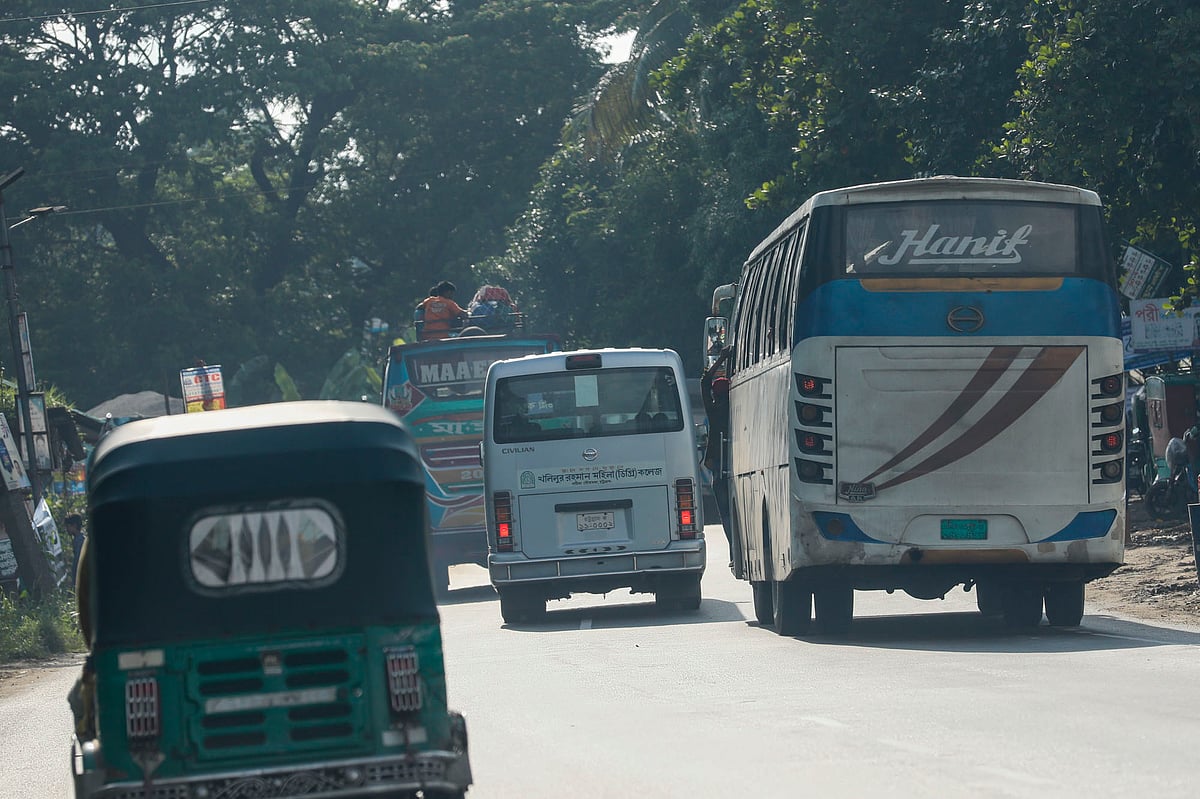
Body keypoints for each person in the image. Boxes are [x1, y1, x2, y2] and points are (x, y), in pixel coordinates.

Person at [701, 347, 733, 558]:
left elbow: (704, 381)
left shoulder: (714, 410)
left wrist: (721, 358)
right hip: (736, 467)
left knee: (725, 514)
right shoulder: (736, 408)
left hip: (719, 470)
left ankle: (733, 549)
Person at [65, 513, 84, 585]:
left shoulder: (80, 541)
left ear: (74, 525)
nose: (67, 529)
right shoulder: (78, 539)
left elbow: (78, 561)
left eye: (68, 526)